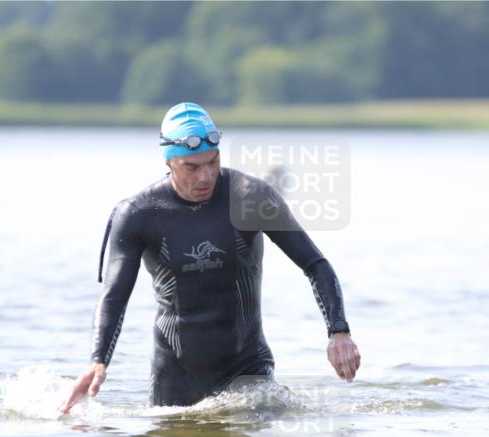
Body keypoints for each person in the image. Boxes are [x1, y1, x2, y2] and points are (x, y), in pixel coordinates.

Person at [63, 102, 360, 411]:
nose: (205, 176)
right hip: (175, 379)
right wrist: (98, 361)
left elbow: (315, 264)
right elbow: (114, 298)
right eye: (192, 167)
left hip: (248, 373)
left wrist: (339, 331)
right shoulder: (139, 214)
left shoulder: (251, 197)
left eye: (213, 162)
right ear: (168, 160)